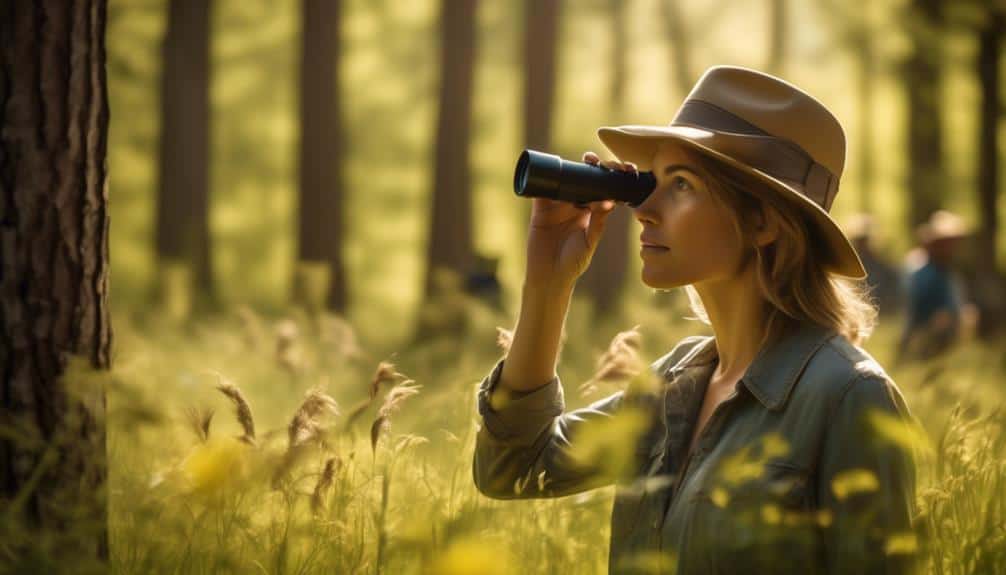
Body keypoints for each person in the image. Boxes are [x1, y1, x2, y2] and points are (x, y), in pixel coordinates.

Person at [472, 66, 918, 574]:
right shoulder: (673, 383)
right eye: (649, 184)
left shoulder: (848, 397)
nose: (644, 211)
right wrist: (547, 285)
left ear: (762, 220)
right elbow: (514, 469)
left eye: (681, 185)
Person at [897, 210, 973, 361]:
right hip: (928, 343)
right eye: (946, 243)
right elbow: (918, 313)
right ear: (935, 244)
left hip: (944, 342)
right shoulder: (925, 274)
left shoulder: (946, 271)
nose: (952, 247)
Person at [844, 213, 903, 316]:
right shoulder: (846, 267)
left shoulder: (884, 268)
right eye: (860, 240)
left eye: (864, 240)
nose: (863, 244)